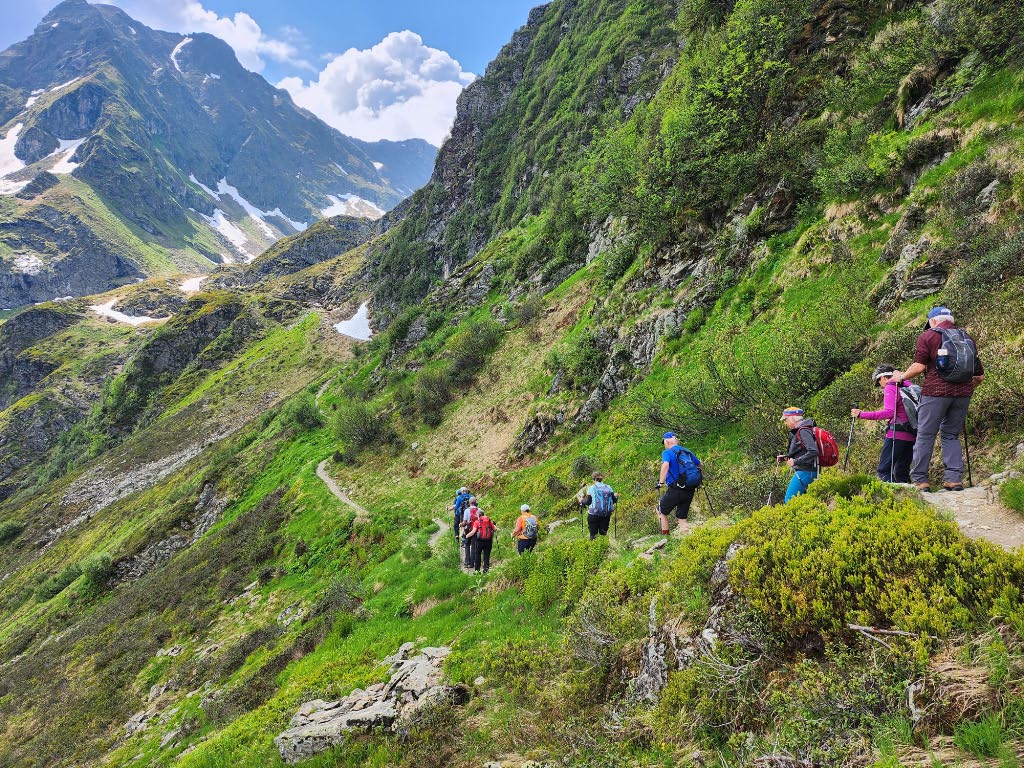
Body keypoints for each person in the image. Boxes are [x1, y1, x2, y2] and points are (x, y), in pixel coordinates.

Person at [891, 306, 984, 491]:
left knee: (925, 435)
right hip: (963, 395)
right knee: (950, 435)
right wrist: (965, 389)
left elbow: (918, 366)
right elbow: (979, 376)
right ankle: (954, 479)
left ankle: (920, 481)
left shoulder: (928, 336)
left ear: (933, 321)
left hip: (935, 393)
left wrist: (900, 377)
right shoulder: (967, 338)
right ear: (951, 320)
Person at [851, 364, 915, 483]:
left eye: (878, 381)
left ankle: (893, 499)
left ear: (884, 378)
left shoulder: (890, 386)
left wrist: (861, 414)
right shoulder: (907, 384)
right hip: (912, 433)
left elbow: (889, 413)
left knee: (884, 470)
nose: (880, 385)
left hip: (896, 433)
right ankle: (909, 499)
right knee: (902, 471)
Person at [656, 432, 702, 536]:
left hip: (676, 489)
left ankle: (666, 538)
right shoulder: (686, 451)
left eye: (663, 442)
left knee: (660, 510)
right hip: (690, 489)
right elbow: (699, 464)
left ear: (667, 441)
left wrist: (661, 482)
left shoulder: (667, 452)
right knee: (682, 516)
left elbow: (665, 465)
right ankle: (686, 539)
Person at [779, 407, 819, 502]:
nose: (785, 423)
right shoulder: (805, 429)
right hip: (809, 471)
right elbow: (802, 451)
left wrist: (795, 461)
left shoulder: (803, 431)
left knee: (789, 500)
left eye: (786, 419)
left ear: (793, 418)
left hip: (806, 471)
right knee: (804, 500)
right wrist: (785, 458)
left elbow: (813, 451)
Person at [578, 471, 619, 540]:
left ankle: (593, 548)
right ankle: (605, 548)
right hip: (606, 515)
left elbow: (588, 502)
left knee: (593, 535)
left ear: (594, 479)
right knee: (603, 534)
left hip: (593, 515)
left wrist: (581, 500)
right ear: (602, 479)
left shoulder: (591, 488)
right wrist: (616, 496)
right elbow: (614, 500)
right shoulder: (609, 487)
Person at [461, 498, 481, 568]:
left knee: (467, 545)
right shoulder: (479, 510)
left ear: (469, 503)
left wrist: (461, 525)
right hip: (476, 530)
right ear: (475, 503)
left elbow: (464, 522)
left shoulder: (466, 510)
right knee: (473, 546)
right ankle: (472, 563)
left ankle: (467, 562)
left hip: (468, 530)